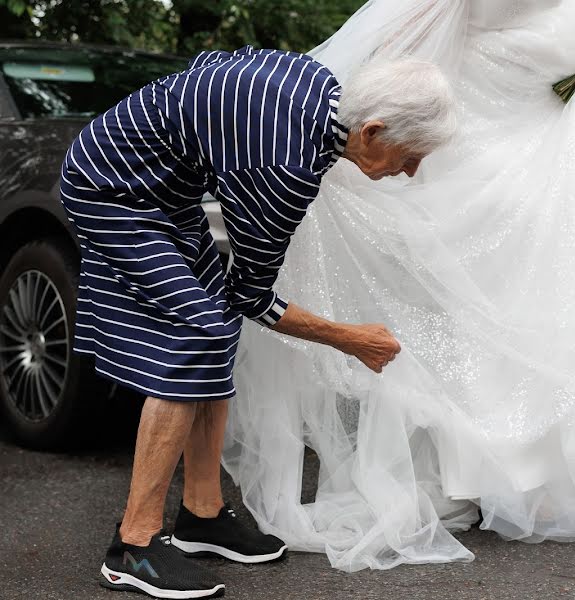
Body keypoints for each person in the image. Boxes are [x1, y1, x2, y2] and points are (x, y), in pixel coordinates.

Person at [222, 0, 575, 573]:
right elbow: (401, 44)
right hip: (483, 158)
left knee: (562, 308)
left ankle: (538, 477)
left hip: (557, 154)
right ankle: (483, 473)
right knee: (489, 315)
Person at [59, 48, 454, 597]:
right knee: (204, 328)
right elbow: (253, 298)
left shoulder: (319, 86)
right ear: (372, 130)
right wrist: (352, 340)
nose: (409, 171)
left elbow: (216, 62)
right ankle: (134, 545)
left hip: (163, 191)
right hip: (110, 189)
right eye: (409, 156)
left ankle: (201, 515)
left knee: (214, 318)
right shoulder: (283, 166)